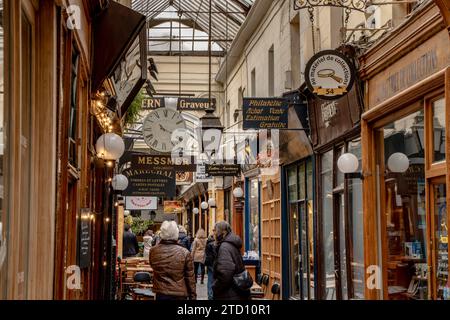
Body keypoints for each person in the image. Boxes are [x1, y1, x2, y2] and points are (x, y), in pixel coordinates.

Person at [149, 221, 197, 300]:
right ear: (176, 234)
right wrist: (193, 296)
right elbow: (190, 277)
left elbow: (153, 266)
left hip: (161, 293)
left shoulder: (153, 251)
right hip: (179, 293)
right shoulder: (184, 252)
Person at [212, 221, 251, 300]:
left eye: (214, 230)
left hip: (230, 292)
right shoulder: (230, 244)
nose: (213, 233)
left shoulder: (224, 247)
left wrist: (215, 287)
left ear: (221, 232)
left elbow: (226, 273)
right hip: (236, 291)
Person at [204, 232, 217, 300]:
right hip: (215, 264)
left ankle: (210, 295)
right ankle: (213, 294)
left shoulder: (208, 244)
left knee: (210, 280)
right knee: (215, 280)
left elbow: (207, 255)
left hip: (209, 264)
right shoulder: (216, 244)